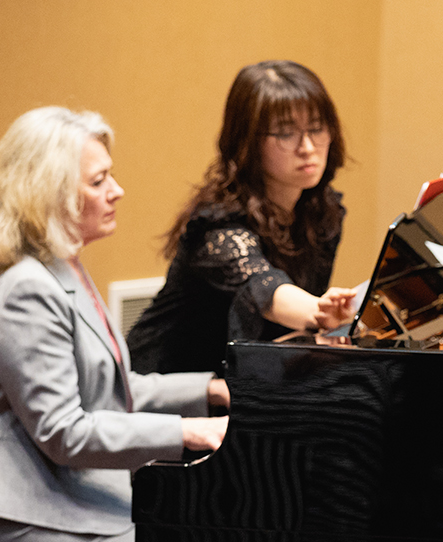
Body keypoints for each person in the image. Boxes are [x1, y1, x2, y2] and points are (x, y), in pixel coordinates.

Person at [0, 106, 280, 542]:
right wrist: (189, 432)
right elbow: (63, 432)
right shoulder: (26, 290)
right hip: (10, 505)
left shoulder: (64, 268)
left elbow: (114, 390)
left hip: (56, 486)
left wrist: (213, 390)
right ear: (48, 194)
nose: (117, 190)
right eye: (99, 181)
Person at [128, 60, 355, 377]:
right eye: (286, 133)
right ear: (248, 140)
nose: (307, 148)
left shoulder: (323, 212)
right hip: (167, 394)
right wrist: (319, 311)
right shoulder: (218, 227)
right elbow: (266, 290)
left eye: (316, 128)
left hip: (243, 382)